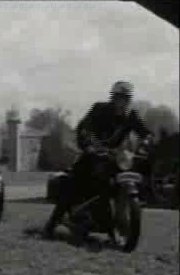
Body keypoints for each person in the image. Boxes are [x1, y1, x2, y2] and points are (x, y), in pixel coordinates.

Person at [43, 80, 153, 241]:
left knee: (122, 180)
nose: (121, 102)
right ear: (113, 97)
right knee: (73, 181)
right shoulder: (99, 109)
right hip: (93, 154)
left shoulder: (131, 116)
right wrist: (90, 145)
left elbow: (146, 134)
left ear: (129, 99)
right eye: (118, 97)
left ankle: (120, 225)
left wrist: (144, 145)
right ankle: (51, 224)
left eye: (125, 98)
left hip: (115, 157)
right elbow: (84, 128)